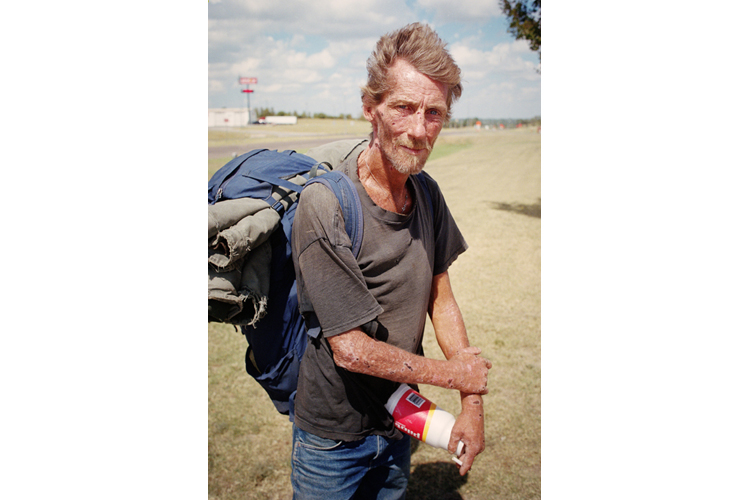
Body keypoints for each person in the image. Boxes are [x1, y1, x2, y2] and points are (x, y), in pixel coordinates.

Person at [290, 22, 492, 500]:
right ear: (370, 109)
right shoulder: (326, 204)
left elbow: (440, 300)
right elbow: (350, 349)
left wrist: (472, 407)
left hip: (401, 420)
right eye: (403, 107)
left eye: (435, 113)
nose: (419, 131)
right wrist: (455, 375)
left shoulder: (427, 194)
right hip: (332, 439)